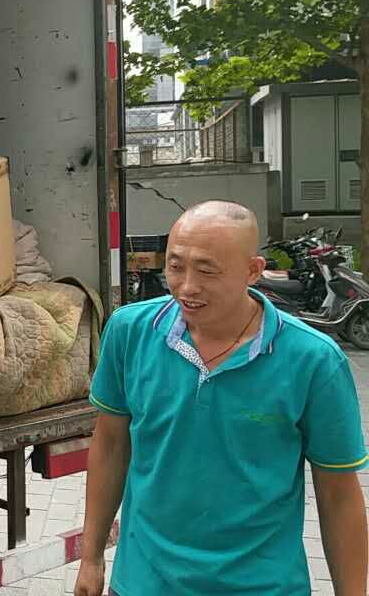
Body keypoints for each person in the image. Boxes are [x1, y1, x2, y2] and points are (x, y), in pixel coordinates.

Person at [75, 201, 367, 596]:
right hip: (143, 583)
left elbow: (338, 495)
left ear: (253, 271)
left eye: (207, 271)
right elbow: (110, 445)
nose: (187, 286)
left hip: (262, 586)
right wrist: (91, 556)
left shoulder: (313, 360)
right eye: (175, 266)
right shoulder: (130, 332)